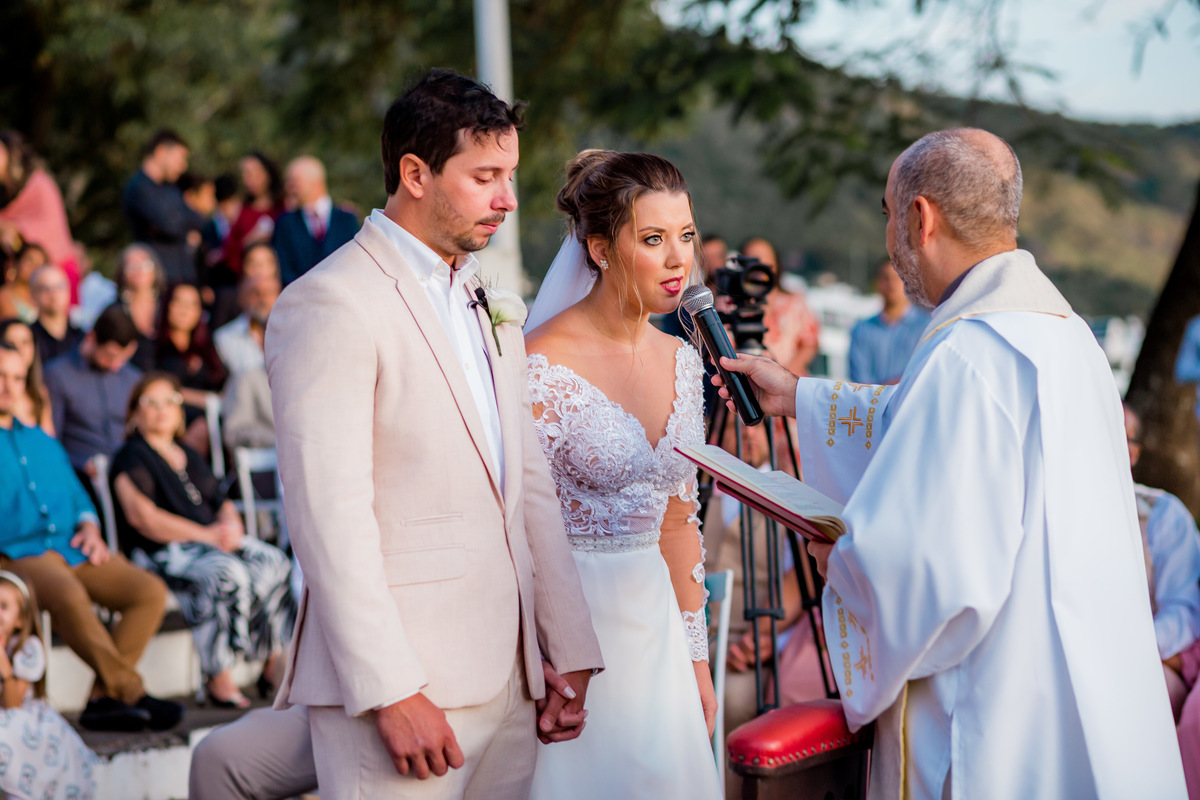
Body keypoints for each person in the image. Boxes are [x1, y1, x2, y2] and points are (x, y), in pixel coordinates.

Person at [714, 128, 1185, 798]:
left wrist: (843, 560)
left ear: (920, 217)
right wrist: (801, 396)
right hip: (1089, 679)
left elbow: (928, 571)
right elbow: (925, 421)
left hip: (995, 703)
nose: (890, 241)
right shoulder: (1065, 334)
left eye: (886, 214)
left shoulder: (966, 353)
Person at [265, 69, 602, 799]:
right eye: (485, 177)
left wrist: (567, 645)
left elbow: (528, 482)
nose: (508, 198)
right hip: (402, 692)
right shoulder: (330, 303)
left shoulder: (482, 293)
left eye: (509, 175)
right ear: (414, 173)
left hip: (513, 684)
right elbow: (329, 517)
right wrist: (391, 690)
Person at [523, 149, 721, 799]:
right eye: (654, 239)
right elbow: (518, 530)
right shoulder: (537, 363)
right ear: (602, 248)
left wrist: (696, 659)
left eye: (686, 236)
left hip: (657, 632)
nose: (678, 259)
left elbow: (677, 517)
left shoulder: (683, 359)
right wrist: (546, 657)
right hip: (573, 634)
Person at [0, 343, 183, 733]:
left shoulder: (40, 439)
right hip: (16, 553)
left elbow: (77, 493)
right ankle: (130, 691)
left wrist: (90, 526)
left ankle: (103, 698)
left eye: (16, 378)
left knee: (147, 591)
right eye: (0, 377)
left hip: (71, 545)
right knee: (67, 594)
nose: (8, 386)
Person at [110, 372, 294, 709]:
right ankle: (218, 674)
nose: (161, 410)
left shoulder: (188, 453)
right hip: (164, 550)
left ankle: (271, 660)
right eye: (151, 402)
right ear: (135, 413)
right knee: (226, 572)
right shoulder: (130, 456)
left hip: (210, 540)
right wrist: (207, 536)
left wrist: (231, 526)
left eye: (170, 402)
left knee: (274, 561)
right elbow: (144, 518)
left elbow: (220, 498)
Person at [0, 570, 99, 799]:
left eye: (4, 606)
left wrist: (4, 667)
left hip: (24, 717)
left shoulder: (26, 648)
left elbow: (13, 704)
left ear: (20, 619)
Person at [43, 304, 142, 482]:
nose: (116, 365)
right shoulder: (58, 375)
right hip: (81, 474)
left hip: (127, 471)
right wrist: (79, 464)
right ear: (91, 338)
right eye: (110, 356)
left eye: (123, 358)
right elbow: (50, 440)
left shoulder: (132, 377)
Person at [0, 130, 82, 300]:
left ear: (11, 154)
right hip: (16, 285)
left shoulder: (39, 184)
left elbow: (50, 229)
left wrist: (15, 230)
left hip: (55, 276)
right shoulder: (4, 194)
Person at [122, 129, 204, 284]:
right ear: (161, 152)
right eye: (180, 158)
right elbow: (169, 225)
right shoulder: (138, 188)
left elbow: (197, 220)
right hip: (160, 279)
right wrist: (185, 230)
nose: (182, 166)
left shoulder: (172, 189)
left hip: (184, 277)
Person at [154, 282, 228, 452]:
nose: (184, 310)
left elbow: (222, 384)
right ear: (167, 306)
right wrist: (203, 399)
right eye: (179, 302)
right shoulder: (153, 347)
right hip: (172, 416)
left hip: (213, 418)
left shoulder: (208, 349)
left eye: (192, 304)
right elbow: (151, 385)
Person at [271, 156, 357, 285]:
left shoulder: (347, 219)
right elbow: (284, 268)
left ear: (315, 181)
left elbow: (354, 262)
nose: (289, 187)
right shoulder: (285, 223)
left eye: (294, 181)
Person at [743, 237, 820, 376]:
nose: (760, 263)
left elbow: (810, 343)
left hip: (791, 381)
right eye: (753, 258)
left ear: (776, 262)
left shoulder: (795, 303)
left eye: (765, 257)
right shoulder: (732, 306)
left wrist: (786, 375)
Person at [848, 260, 931, 385]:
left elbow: (925, 375)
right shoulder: (861, 330)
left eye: (898, 278)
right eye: (886, 278)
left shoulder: (928, 327)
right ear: (877, 283)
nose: (892, 284)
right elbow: (860, 384)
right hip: (872, 403)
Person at [214, 249, 280, 378]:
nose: (262, 298)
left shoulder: (292, 333)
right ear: (243, 297)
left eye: (269, 293)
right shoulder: (224, 338)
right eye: (256, 293)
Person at [228, 151, 285, 276]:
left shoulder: (283, 208)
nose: (249, 180)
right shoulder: (241, 211)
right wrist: (250, 240)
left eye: (254, 173)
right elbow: (230, 252)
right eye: (245, 174)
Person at [114, 244, 165, 372]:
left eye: (145, 264)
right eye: (131, 266)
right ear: (122, 273)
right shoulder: (115, 310)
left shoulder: (169, 304)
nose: (139, 270)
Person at [0, 318, 54, 432]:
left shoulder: (40, 393)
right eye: (11, 343)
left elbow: (49, 439)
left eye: (25, 342)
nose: (20, 348)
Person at [29, 263, 84, 365]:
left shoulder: (81, 337)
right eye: (46, 289)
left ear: (68, 291)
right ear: (33, 294)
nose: (54, 294)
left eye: (60, 287)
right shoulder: (28, 338)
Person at [0, 242, 48, 323]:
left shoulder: (44, 298)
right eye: (30, 260)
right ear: (18, 262)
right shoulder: (4, 296)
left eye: (39, 265)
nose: (34, 267)